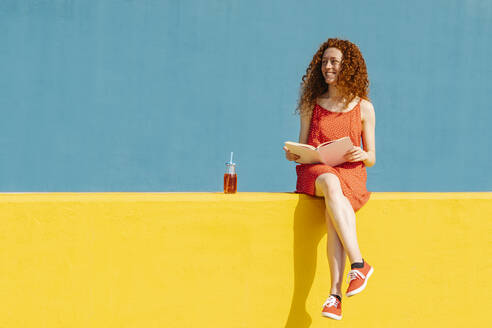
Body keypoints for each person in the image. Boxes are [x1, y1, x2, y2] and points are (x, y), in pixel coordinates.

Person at [283, 38, 376, 321]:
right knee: (331, 184)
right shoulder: (313, 104)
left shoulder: (364, 108)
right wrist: (294, 154)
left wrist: (361, 153)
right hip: (316, 172)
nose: (328, 66)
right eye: (324, 62)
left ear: (348, 66)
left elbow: (371, 157)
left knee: (334, 208)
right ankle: (358, 262)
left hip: (350, 172)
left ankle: (334, 295)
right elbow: (302, 146)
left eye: (334, 61)